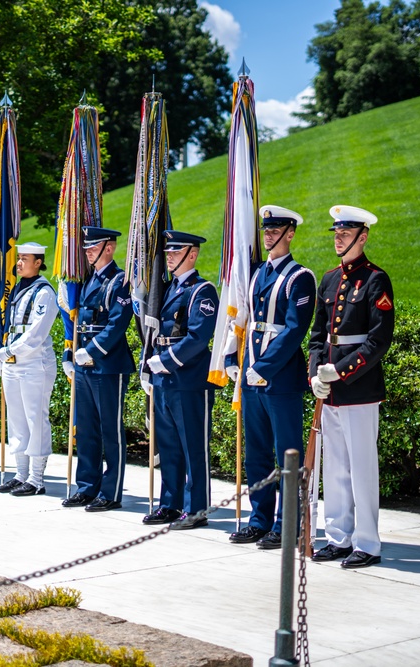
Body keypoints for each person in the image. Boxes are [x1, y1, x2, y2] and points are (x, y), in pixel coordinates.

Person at [308, 205, 395, 569]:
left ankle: (368, 544)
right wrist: (314, 374)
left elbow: (379, 340)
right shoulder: (329, 279)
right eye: (336, 233)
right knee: (337, 467)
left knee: (361, 468)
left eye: (346, 233)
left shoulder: (376, 280)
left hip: (358, 390)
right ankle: (338, 538)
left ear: (363, 236)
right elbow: (317, 336)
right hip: (329, 393)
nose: (339, 238)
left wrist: (339, 372)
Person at [226, 206, 316, 549]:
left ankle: (287, 524)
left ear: (290, 233)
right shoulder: (255, 273)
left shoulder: (300, 277)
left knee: (285, 454)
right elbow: (244, 319)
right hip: (250, 379)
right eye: (266, 229)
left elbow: (294, 331)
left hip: (280, 382)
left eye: (275, 229)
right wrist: (232, 356)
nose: (268, 235)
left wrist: (261, 368)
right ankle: (259, 519)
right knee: (257, 454)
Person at [142, 230, 219, 530]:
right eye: (169, 251)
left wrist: (166, 361)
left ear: (193, 254)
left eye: (176, 251)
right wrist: (150, 367)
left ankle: (196, 508)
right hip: (164, 379)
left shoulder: (202, 291)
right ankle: (170, 504)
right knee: (170, 446)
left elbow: (198, 337)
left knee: (192, 446)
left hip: (187, 380)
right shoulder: (166, 289)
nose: (169, 256)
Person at [62, 227, 135, 512]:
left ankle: (111, 491)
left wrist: (89, 351)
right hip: (84, 364)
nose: (88, 250)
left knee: (110, 430)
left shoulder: (120, 280)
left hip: (107, 365)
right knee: (88, 429)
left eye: (94, 246)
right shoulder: (88, 279)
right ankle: (87, 487)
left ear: (109, 247)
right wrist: (72, 352)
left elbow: (118, 324)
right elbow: (78, 320)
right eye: (87, 246)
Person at [0, 242, 58, 497]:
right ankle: (20, 473)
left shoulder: (43, 292)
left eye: (24, 259)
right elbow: (6, 324)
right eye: (18, 258)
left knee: (35, 419)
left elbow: (36, 334)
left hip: (34, 363)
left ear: (38, 262)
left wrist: (7, 351)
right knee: (17, 420)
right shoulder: (18, 288)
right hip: (12, 363)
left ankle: (37, 478)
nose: (18, 263)